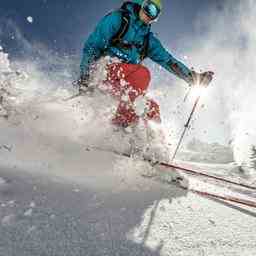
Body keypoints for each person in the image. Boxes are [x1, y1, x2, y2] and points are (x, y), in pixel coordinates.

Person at [79, 0, 214, 128]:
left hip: (122, 81)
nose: (150, 14)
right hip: (103, 72)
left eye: (155, 13)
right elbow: (92, 46)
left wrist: (193, 78)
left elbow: (168, 61)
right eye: (149, 7)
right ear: (141, 3)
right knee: (142, 74)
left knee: (151, 109)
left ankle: (146, 143)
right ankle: (120, 126)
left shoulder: (147, 40)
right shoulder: (118, 20)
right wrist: (85, 77)